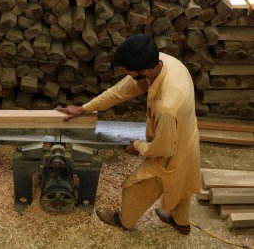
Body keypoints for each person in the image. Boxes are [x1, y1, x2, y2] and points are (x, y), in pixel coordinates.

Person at [56, 34, 201, 235]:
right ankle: (181, 222)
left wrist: (138, 145)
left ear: (143, 71)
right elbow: (120, 91)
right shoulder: (163, 62)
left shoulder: (167, 105)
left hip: (170, 152)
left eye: (127, 72)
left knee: (136, 186)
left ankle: (123, 221)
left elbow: (164, 148)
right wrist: (84, 108)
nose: (125, 74)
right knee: (181, 185)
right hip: (188, 136)